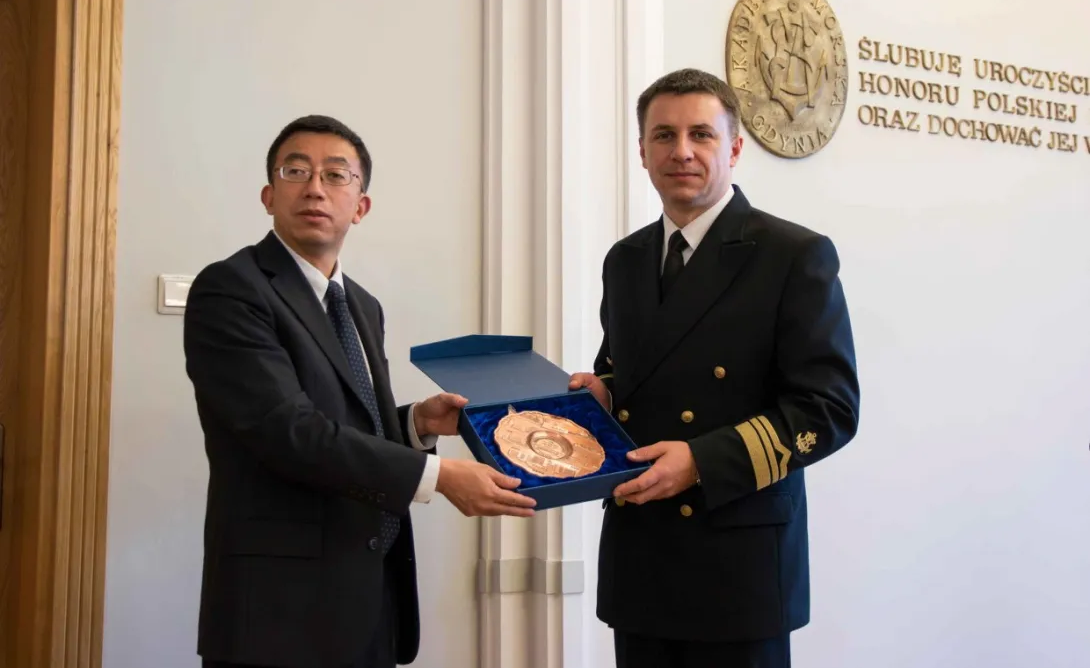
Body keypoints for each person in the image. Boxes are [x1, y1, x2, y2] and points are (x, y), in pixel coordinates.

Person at [183, 114, 537, 668]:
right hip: (279, 613)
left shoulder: (362, 306)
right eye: (296, 171)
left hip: (370, 597)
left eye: (335, 175)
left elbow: (346, 421)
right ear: (269, 196)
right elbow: (287, 430)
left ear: (361, 206)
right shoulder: (232, 289)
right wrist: (440, 476)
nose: (315, 188)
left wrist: (415, 424)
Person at [569, 68, 860, 668]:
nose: (682, 151)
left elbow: (828, 409)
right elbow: (633, 371)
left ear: (734, 148)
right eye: (664, 135)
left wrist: (702, 461)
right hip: (641, 554)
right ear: (642, 152)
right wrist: (603, 394)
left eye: (700, 134)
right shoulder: (625, 260)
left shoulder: (793, 255)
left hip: (737, 565)